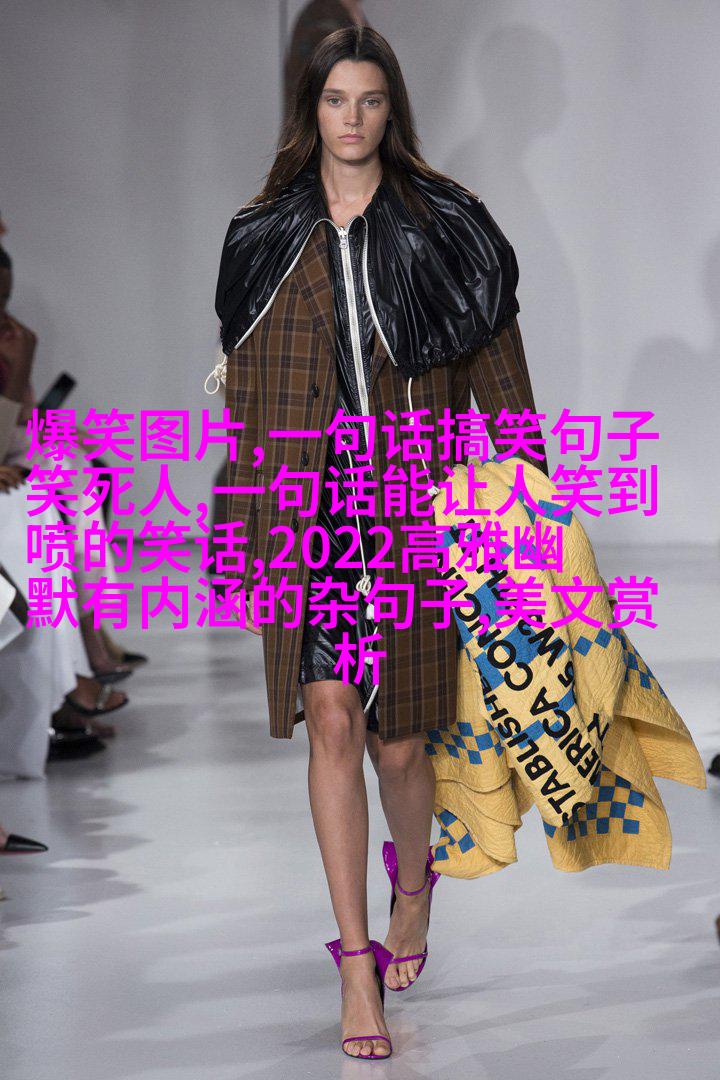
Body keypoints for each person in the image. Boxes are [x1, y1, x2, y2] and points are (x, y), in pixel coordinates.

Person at [211, 27, 549, 1060]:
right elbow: (247, 404)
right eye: (334, 100)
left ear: (391, 108)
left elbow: (500, 374)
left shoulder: (447, 226)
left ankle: (415, 883)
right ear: (309, 111)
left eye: (368, 100)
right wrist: (237, 529)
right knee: (331, 720)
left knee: (400, 744)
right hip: (309, 513)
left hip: (414, 508)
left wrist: (530, 508)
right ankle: (354, 963)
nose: (350, 118)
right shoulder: (263, 235)